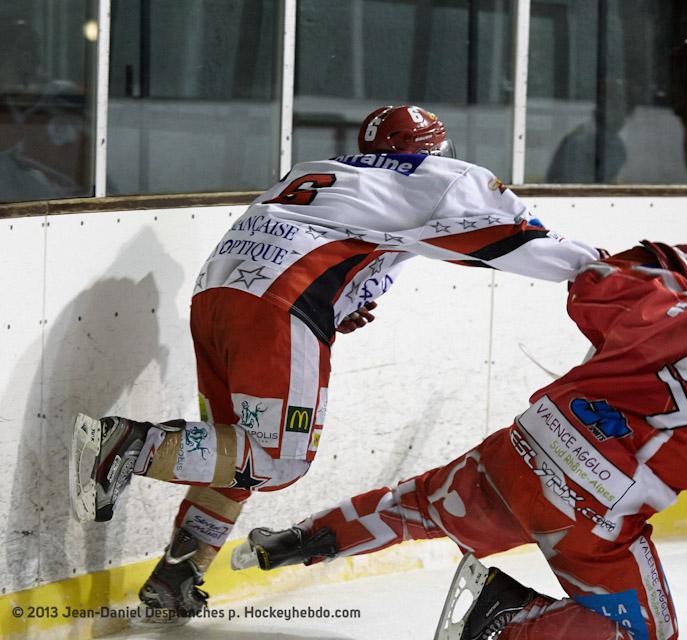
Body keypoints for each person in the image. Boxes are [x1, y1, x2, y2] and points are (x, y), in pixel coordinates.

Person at [69, 105, 606, 621]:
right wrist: (604, 269)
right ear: (432, 150)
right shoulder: (436, 176)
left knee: (233, 451)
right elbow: (518, 236)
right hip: (281, 303)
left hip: (216, 298)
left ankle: (176, 577)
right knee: (278, 457)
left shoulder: (322, 172)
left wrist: (338, 304)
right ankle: (129, 444)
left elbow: (317, 239)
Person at [237, 246, 687, 640]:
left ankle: (305, 537)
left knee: (417, 505)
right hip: (585, 516)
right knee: (642, 636)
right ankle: (507, 620)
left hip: (521, 450)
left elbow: (589, 285)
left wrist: (656, 263)